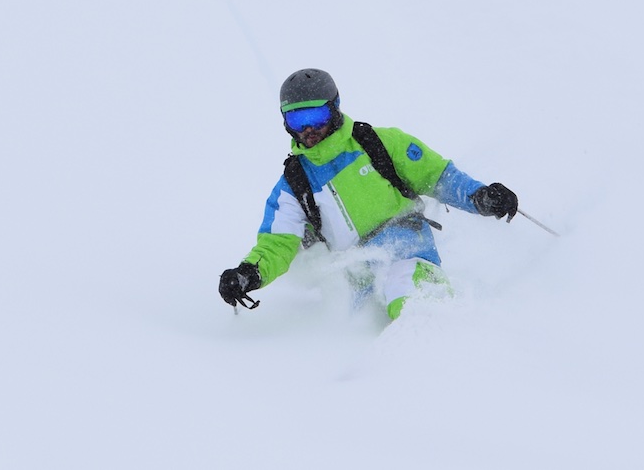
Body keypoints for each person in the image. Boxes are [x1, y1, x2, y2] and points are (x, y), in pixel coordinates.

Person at [218, 68, 519, 320]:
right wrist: (249, 273)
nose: (308, 129)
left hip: (407, 253)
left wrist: (480, 196)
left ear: (334, 108)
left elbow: (437, 176)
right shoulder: (294, 184)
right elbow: (277, 243)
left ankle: (450, 340)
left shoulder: (377, 143)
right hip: (358, 281)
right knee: (359, 329)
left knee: (408, 299)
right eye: (297, 120)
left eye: (316, 116)